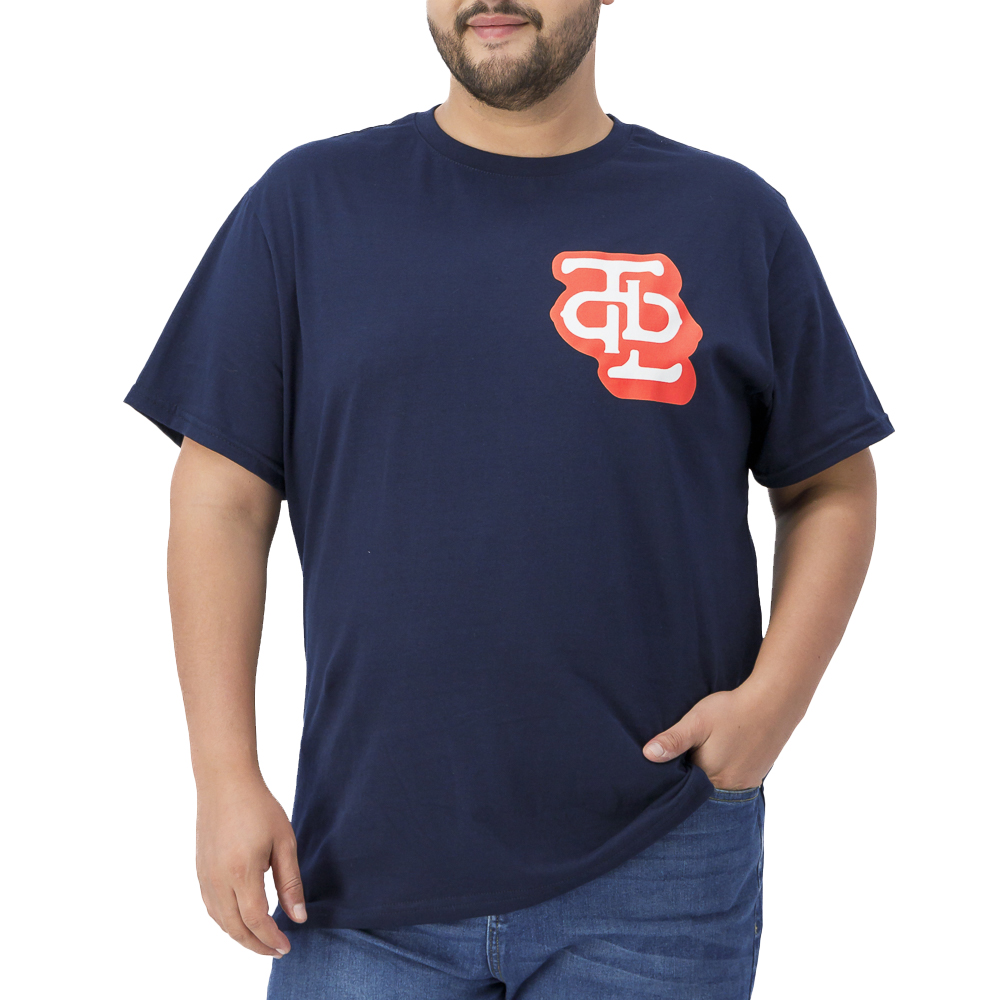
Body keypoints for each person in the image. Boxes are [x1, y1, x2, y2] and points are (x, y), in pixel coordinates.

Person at [124, 1, 894, 996]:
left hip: (659, 859)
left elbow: (830, 480)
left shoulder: (729, 217)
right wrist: (223, 775)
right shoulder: (308, 206)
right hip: (362, 867)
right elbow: (221, 495)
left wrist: (771, 708)